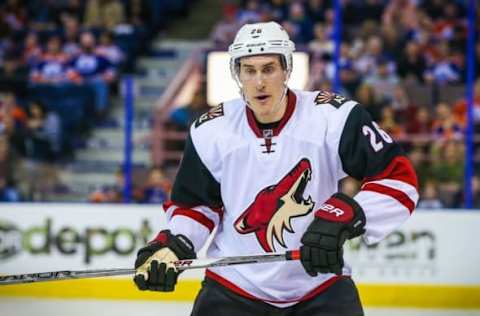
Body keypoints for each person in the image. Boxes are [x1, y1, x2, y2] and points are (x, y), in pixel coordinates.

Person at [133, 21, 418, 315]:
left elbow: (399, 180)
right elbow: (195, 207)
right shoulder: (209, 130)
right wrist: (174, 245)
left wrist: (347, 216)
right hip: (233, 289)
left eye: (269, 69)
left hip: (319, 285)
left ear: (287, 70)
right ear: (237, 74)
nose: (259, 82)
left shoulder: (335, 117)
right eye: (249, 70)